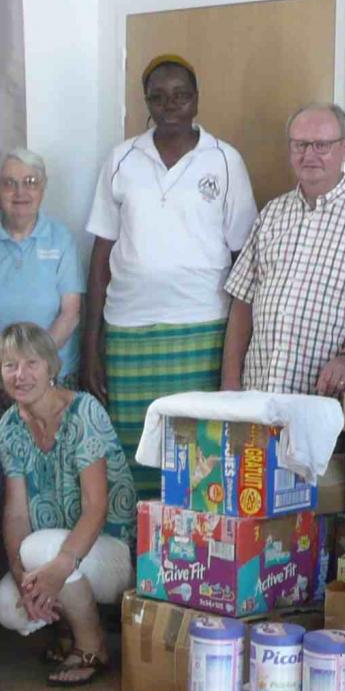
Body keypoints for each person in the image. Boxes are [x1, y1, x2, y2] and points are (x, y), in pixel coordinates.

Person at [84, 56, 257, 494]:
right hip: (128, 330)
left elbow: (245, 259)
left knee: (199, 456)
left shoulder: (224, 161)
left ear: (196, 99)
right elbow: (100, 255)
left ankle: (194, 556)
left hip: (202, 330)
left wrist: (241, 350)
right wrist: (92, 347)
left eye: (181, 95)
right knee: (133, 455)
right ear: (146, 102)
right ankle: (134, 553)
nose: (170, 106)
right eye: (158, 97)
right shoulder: (122, 158)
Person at [0, 148, 84, 561]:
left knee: (54, 475)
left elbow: (71, 311)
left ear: (43, 189)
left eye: (30, 182)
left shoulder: (61, 239)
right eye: (10, 183)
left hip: (54, 379)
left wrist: (36, 370)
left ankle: (56, 562)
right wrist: (1, 369)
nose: (20, 191)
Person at [0, 322, 136, 685]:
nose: (20, 375)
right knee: (7, 607)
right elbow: (17, 512)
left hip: (111, 551)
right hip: (52, 552)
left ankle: (92, 647)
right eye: (10, 365)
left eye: (31, 364)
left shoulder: (83, 412)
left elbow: (96, 507)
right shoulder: (9, 425)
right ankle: (67, 627)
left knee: (42, 549)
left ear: (52, 368)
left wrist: (57, 567)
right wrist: (23, 576)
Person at [221, 102, 345, 395]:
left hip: (322, 396)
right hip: (258, 390)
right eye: (300, 145)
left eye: (322, 145)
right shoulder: (272, 213)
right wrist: (230, 382)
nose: (309, 155)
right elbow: (242, 304)